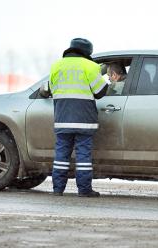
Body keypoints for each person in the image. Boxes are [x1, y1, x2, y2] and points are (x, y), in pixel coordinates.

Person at [49, 38, 108, 197]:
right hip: (84, 120)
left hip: (62, 118)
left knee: (61, 156)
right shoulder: (90, 66)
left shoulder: (57, 65)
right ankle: (84, 189)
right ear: (88, 53)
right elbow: (100, 91)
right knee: (83, 157)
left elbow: (49, 89)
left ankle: (57, 189)